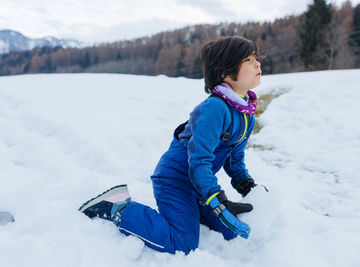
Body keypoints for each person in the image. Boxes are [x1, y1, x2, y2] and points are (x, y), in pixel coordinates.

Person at [79, 36, 262, 255]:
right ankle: (117, 207)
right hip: (175, 179)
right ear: (226, 72)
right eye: (248, 60)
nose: (257, 64)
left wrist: (247, 185)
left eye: (256, 58)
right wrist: (217, 198)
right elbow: (199, 159)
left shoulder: (245, 114)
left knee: (230, 230)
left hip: (197, 184)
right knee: (182, 242)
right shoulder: (216, 108)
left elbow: (235, 158)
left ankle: (193, 206)